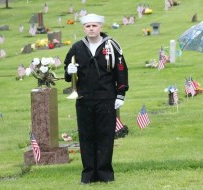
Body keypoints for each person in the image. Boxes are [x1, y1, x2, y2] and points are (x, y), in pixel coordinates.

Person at [64, 13, 129, 184]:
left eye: (94, 26)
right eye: (88, 26)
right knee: (86, 136)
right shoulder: (77, 48)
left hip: (106, 98)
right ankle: (88, 175)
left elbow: (121, 70)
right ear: (83, 28)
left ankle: (105, 173)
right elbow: (67, 71)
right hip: (84, 99)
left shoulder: (112, 46)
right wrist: (68, 71)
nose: (91, 29)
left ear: (100, 27)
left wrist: (121, 94)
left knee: (105, 136)